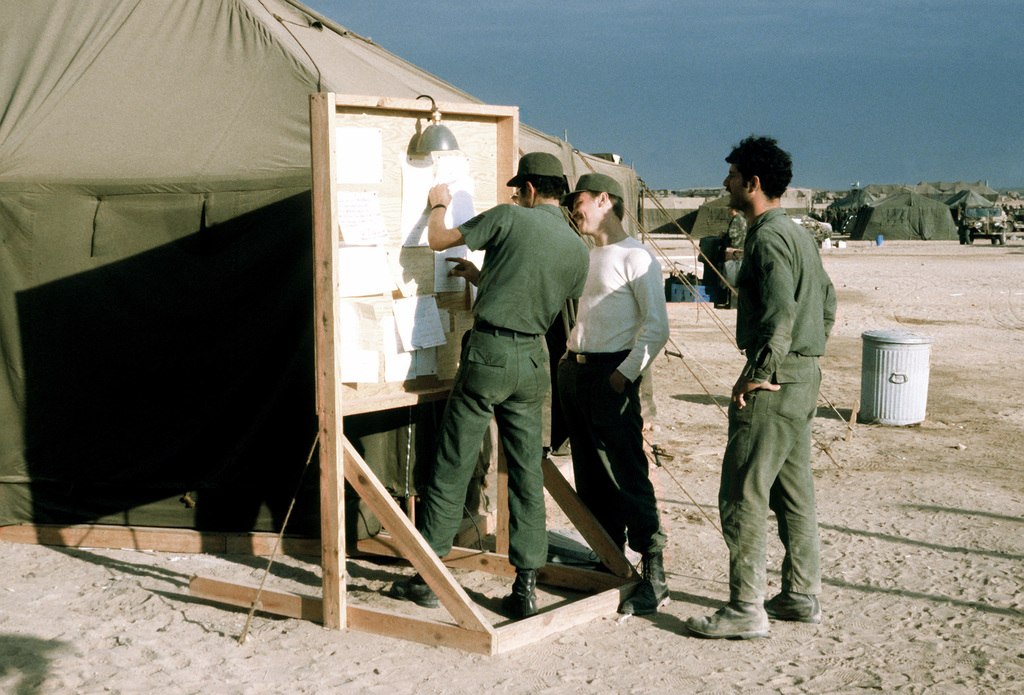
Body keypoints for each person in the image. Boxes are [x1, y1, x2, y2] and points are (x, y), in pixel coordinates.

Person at [387, 152, 590, 619]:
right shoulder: (578, 246)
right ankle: (526, 585)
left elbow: (439, 240)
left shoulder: (507, 217)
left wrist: (438, 202)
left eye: (519, 190)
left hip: (489, 354)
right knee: (525, 474)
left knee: (453, 461)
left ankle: (428, 574)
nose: (515, 196)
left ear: (532, 190)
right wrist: (485, 278)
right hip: (534, 359)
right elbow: (539, 290)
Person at [684, 136, 836, 639]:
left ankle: (745, 607)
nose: (724, 183)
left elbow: (779, 317)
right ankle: (800, 594)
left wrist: (760, 373)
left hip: (776, 380)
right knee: (794, 492)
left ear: (752, 183)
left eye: (730, 176)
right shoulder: (798, 235)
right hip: (802, 376)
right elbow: (827, 303)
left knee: (742, 492)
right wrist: (802, 361)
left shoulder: (767, 238)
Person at [558, 173, 671, 615]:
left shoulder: (636, 257)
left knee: (626, 475)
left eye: (579, 200)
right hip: (577, 374)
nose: (573, 209)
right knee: (590, 475)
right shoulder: (587, 255)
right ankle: (609, 561)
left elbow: (657, 327)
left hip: (611, 375)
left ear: (604, 200)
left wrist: (624, 375)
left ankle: (655, 575)